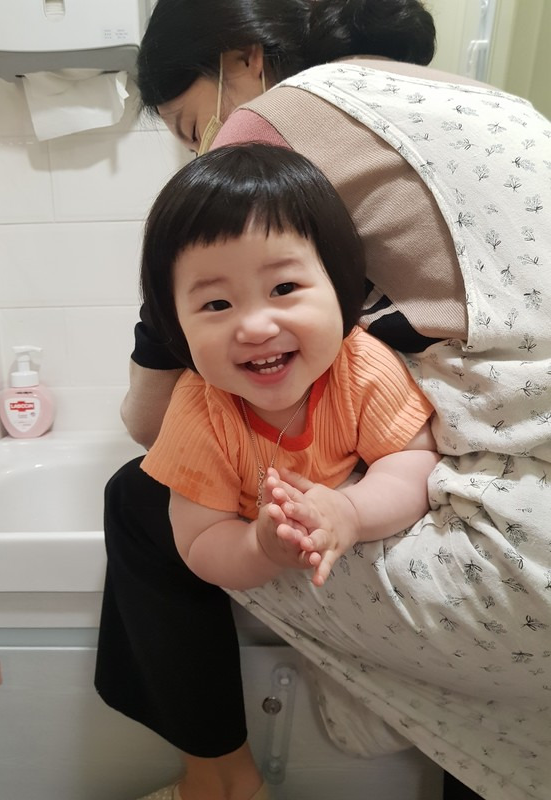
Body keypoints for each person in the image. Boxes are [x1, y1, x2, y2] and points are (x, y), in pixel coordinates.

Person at [94, 1, 551, 799]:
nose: (202, 152)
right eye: (217, 304)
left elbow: (144, 417)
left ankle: (219, 779)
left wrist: (337, 513)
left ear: (243, 60)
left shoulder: (270, 137)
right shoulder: (472, 97)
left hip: (512, 537)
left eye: (192, 126)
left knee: (138, 498)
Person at [139, 144, 440, 595]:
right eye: (217, 304)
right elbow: (200, 540)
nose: (257, 328)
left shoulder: (360, 365)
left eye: (283, 288)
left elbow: (413, 461)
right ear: (175, 325)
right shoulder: (199, 411)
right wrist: (260, 548)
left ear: (338, 285)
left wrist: (350, 512)